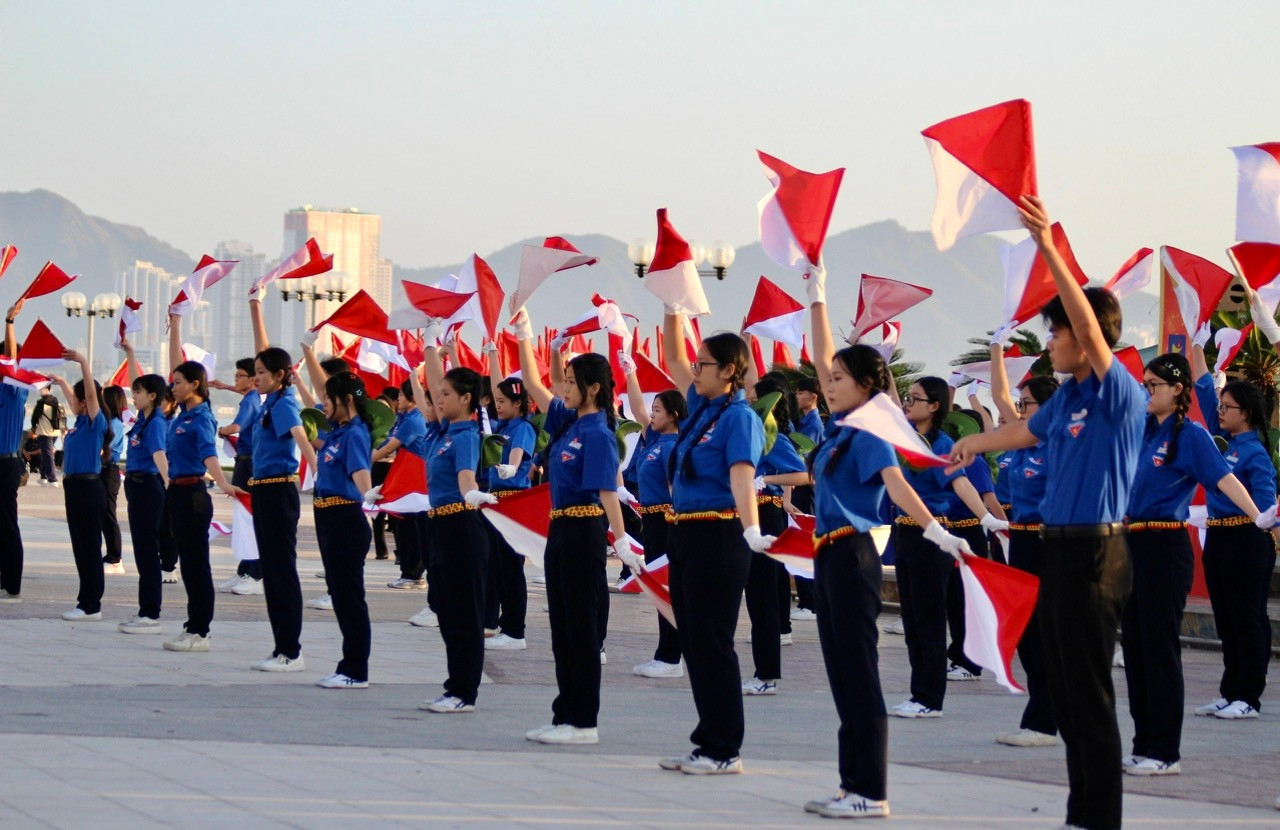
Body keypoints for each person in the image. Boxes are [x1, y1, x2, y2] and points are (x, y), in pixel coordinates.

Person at [949, 195, 1145, 830]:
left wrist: (1046, 245)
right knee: (1062, 685)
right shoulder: (1067, 399)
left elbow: (1089, 328)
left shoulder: (1116, 391)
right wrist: (972, 441)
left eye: (1056, 330)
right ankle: (1079, 810)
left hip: (1096, 551)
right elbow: (1026, 434)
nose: (1052, 341)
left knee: (1089, 692)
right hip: (1059, 549)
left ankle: (1097, 817)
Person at [800, 270, 972, 819]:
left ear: (868, 385)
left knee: (859, 672)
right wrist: (817, 294)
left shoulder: (874, 429)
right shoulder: (839, 428)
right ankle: (852, 783)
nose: (829, 382)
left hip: (853, 555)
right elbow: (827, 349)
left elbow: (897, 486)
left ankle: (870, 791)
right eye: (827, 377)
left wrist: (936, 530)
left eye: (839, 378)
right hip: (826, 552)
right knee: (841, 675)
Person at [1118, 352, 1271, 774]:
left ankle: (1164, 751)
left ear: (1178, 389)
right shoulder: (1142, 430)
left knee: (1158, 649)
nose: (1146, 391)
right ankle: (1142, 742)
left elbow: (1225, 479)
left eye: (1153, 385)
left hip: (1165, 547)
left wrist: (1259, 516)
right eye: (1143, 384)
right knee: (1134, 648)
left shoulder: (1191, 435)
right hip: (1131, 544)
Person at [650, 310, 765, 775]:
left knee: (714, 641)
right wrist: (673, 304)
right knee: (694, 640)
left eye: (705, 365)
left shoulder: (739, 418)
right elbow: (674, 355)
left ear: (731, 371)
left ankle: (724, 749)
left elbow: (742, 476)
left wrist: (751, 528)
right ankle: (708, 741)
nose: (694, 371)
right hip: (687, 533)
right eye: (697, 365)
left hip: (720, 534)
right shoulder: (702, 410)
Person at [514, 309, 628, 744]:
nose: (562, 389)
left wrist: (621, 541)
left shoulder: (598, 433)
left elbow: (607, 492)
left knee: (580, 628)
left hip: (584, 532)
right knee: (561, 626)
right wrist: (538, 340)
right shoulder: (569, 422)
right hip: (560, 530)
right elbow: (533, 382)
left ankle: (584, 721)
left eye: (570, 383)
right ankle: (565, 714)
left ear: (593, 388)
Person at [892, 375, 1005, 717]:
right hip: (905, 533)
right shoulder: (906, 438)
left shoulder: (941, 444)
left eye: (916, 399)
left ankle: (930, 699)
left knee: (928, 619)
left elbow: (960, 482)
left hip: (933, 536)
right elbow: (888, 404)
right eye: (907, 398)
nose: (908, 404)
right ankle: (918, 693)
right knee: (911, 620)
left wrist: (987, 518)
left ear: (935, 406)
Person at [404, 336, 492, 714]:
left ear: (467, 399)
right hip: (438, 527)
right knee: (444, 606)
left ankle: (463, 692)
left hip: (461, 526)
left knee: (464, 613)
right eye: (436, 393)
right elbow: (432, 385)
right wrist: (430, 344)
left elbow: (466, 477)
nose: (438, 398)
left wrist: (472, 495)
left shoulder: (467, 434)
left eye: (446, 394)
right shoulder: (439, 432)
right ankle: (453, 686)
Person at [986, 342, 1061, 748]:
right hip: (1021, 541)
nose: (1019, 407)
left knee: (1043, 633)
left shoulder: (1059, 444)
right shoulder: (1020, 441)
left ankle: (1044, 723)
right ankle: (1041, 715)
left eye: (1028, 403)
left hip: (1049, 542)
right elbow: (1000, 396)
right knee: (1026, 633)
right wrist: (998, 348)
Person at [161, 339, 243, 652]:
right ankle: (191, 626)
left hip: (194, 493)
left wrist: (223, 482)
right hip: (176, 493)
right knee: (187, 564)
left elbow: (209, 454)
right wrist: (176, 327)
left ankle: (200, 632)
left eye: (179, 383)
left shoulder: (203, 417)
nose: (174, 387)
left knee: (197, 565)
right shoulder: (180, 415)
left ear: (195, 385)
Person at [248, 343, 317, 671]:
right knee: (272, 572)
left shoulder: (285, 403)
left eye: (262, 373)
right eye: (255, 372)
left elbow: (300, 436)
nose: (256, 378)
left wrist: (317, 471)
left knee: (281, 572)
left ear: (279, 376)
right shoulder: (268, 404)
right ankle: (281, 648)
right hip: (263, 492)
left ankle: (291, 651)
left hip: (278, 492)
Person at [619, 352, 686, 678]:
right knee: (661, 588)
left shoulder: (674, 445)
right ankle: (666, 652)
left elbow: (677, 491)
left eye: (659, 410)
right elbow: (638, 410)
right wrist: (630, 373)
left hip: (668, 522)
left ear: (673, 416)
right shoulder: (655, 440)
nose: (651, 415)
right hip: (654, 522)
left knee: (667, 588)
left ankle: (671, 657)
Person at [743, 375, 808, 695]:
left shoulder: (776, 439)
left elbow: (802, 474)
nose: (750, 401)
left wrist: (765, 479)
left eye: (755, 396)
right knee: (755, 598)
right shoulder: (756, 434)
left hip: (767, 516)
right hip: (751, 515)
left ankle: (766, 674)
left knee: (763, 598)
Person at [314, 372, 375, 688]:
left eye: (329, 397)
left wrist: (372, 501)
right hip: (328, 519)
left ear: (347, 400)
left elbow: (360, 471)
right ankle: (348, 665)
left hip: (346, 519)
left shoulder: (354, 434)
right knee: (340, 595)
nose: (324, 403)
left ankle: (355, 670)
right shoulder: (336, 433)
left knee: (350, 597)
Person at [482, 355, 537, 651]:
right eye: (496, 400)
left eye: (503, 401)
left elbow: (518, 452)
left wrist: (513, 468)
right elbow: (494, 384)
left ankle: (515, 630)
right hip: (497, 501)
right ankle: (497, 623)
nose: (498, 405)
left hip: (514, 501)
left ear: (518, 404)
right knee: (496, 565)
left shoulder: (522, 428)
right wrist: (492, 354)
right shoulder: (500, 427)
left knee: (511, 568)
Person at [51, 350, 109, 621]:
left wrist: (84, 362)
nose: (73, 402)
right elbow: (75, 398)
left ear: (86, 401)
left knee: (89, 546)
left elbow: (91, 394)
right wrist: (61, 380)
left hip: (88, 488)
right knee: (80, 546)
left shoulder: (96, 423)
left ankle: (91, 604)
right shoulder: (78, 425)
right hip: (73, 488)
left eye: (78, 399)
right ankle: (85, 601)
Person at [116, 372, 171, 634]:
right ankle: (144, 610)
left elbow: (159, 453)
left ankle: (150, 613)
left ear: (152, 396)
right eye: (133, 391)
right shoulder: (142, 419)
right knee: (141, 550)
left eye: (138, 392)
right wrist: (129, 351)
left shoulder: (156, 423)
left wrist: (169, 482)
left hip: (149, 487)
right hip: (136, 487)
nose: (133, 396)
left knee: (148, 551)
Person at [212, 357, 265, 594]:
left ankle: (256, 575)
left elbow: (235, 427)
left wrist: (219, 430)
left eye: (240, 375)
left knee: (250, 518)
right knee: (244, 518)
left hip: (250, 464)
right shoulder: (251, 397)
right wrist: (225, 386)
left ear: (253, 379)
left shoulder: (251, 400)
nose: (236, 379)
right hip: (244, 462)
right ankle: (245, 571)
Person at [374, 380, 428, 592]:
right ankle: (408, 573)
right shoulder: (403, 418)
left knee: (410, 528)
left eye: (402, 397)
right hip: (405, 475)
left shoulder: (413, 421)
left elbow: (388, 448)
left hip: (415, 478)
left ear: (413, 399)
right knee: (403, 526)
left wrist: (362, 461)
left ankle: (413, 575)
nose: (398, 400)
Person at [0, 300, 29, 602]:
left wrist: (9, 322)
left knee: (7, 522)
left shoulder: (14, 389)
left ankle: (12, 583)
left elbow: (12, 358)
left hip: (7, 464)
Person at [100, 385, 128, 574]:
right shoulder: (109, 423)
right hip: (102, 471)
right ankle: (109, 555)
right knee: (102, 515)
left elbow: (107, 451)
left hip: (109, 471)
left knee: (108, 514)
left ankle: (115, 557)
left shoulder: (115, 425)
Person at [31, 384, 62, 486]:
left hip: (45, 432)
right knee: (46, 453)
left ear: (45, 389)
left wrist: (33, 427)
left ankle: (52, 479)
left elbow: (34, 418)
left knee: (47, 455)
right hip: (56, 432)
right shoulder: (56, 401)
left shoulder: (42, 402)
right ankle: (44, 476)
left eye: (41, 389)